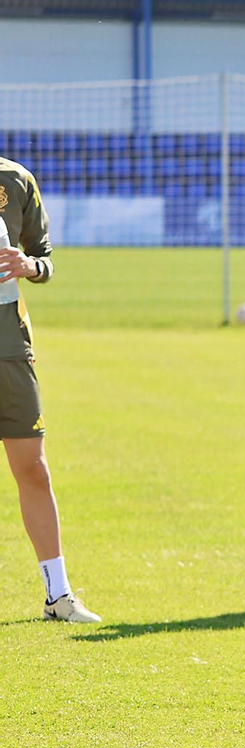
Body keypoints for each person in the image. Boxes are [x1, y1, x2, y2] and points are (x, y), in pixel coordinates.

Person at [0, 154, 98, 622]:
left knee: (33, 469)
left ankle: (58, 595)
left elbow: (46, 262)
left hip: (9, 349)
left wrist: (27, 265)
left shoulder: (15, 179)